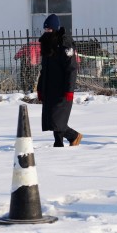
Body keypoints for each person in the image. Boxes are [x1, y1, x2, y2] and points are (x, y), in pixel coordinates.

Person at [37, 14, 82, 147]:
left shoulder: (65, 43)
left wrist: (69, 90)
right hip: (49, 87)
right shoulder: (46, 44)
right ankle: (59, 143)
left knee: (56, 119)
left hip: (62, 89)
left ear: (55, 29)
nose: (47, 32)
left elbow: (71, 69)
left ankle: (73, 135)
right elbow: (43, 70)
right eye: (45, 30)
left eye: (49, 30)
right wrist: (40, 88)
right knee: (51, 119)